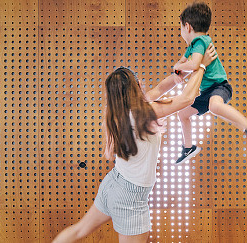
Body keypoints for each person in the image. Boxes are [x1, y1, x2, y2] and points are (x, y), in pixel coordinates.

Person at [51, 45, 217, 243]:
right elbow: (187, 99)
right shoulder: (143, 112)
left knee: (79, 230)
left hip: (113, 184)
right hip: (130, 198)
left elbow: (160, 89)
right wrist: (201, 68)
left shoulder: (118, 112)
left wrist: (178, 76)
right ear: (137, 84)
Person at [146, 1, 247, 164]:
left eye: (180, 28)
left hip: (220, 87)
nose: (181, 31)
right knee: (182, 114)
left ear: (187, 26)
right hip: (206, 92)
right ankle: (188, 147)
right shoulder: (191, 47)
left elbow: (194, 64)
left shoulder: (201, 42)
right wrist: (177, 70)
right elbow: (182, 66)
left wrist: (177, 67)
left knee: (215, 106)